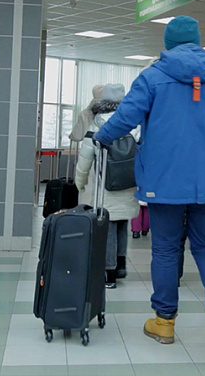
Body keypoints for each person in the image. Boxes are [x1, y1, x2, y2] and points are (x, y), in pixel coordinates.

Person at [93, 15, 205, 356]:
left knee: (166, 250)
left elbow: (126, 117)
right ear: (199, 42)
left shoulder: (153, 77)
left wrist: (101, 136)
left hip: (165, 183)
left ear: (168, 44)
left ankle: (164, 322)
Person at [74, 84, 139, 289]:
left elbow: (84, 162)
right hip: (128, 186)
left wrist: (80, 183)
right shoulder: (133, 127)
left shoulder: (96, 128)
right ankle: (120, 266)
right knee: (122, 226)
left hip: (105, 189)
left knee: (108, 228)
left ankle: (108, 272)